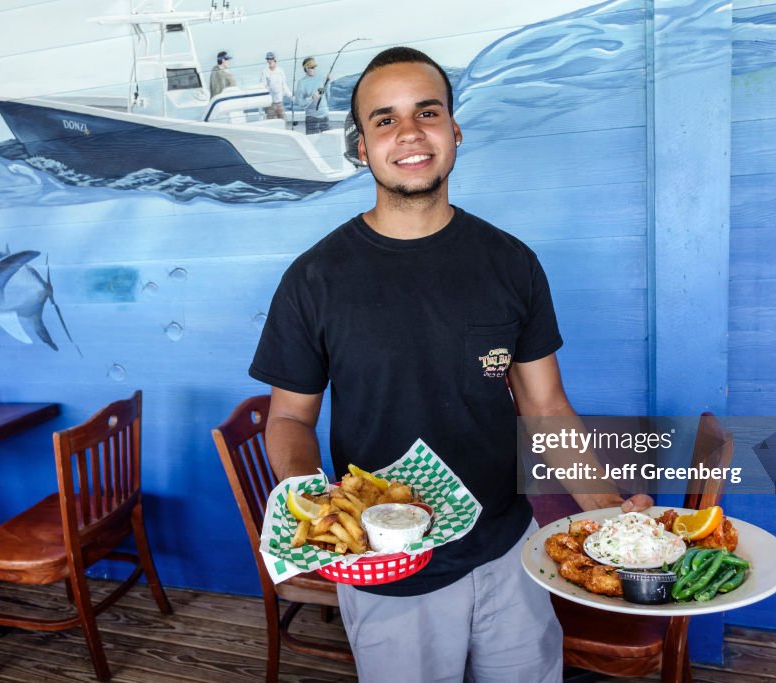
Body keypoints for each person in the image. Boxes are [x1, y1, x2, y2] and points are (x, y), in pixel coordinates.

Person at [249, 46, 652, 682]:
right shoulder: (314, 279)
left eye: (426, 112)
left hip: (510, 550)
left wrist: (607, 511)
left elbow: (545, 409)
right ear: (361, 147)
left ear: (454, 131)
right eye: (384, 119)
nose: (408, 133)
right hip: (390, 568)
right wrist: (313, 498)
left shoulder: (511, 263)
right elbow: (289, 419)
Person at [292, 56, 330, 134]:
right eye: (311, 67)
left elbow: (327, 97)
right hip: (312, 118)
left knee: (327, 142)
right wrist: (312, 98)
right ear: (306, 68)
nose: (313, 69)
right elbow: (300, 103)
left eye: (314, 67)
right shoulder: (301, 83)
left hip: (325, 116)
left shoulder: (321, 78)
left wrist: (328, 83)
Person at [259, 51, 288, 120]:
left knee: (284, 121)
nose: (269, 60)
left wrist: (290, 96)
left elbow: (284, 85)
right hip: (269, 104)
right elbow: (262, 86)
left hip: (279, 103)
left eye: (271, 58)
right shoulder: (264, 72)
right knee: (271, 123)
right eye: (268, 59)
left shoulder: (280, 71)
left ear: (274, 59)